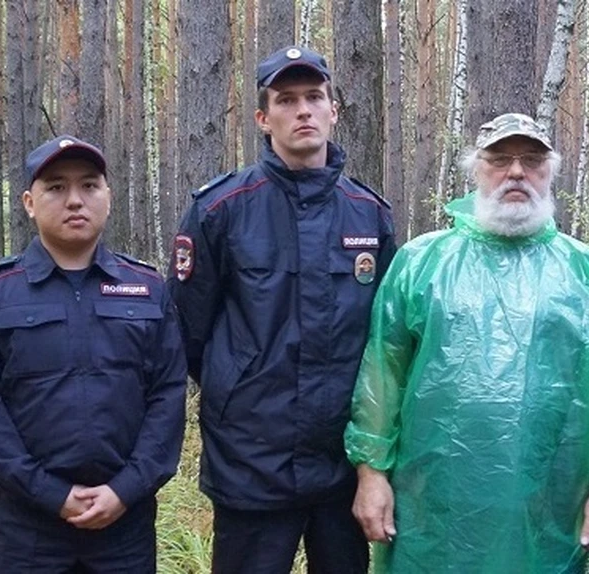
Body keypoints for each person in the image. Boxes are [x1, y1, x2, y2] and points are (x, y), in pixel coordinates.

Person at [345, 112, 589, 574]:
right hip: (433, 504)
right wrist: (371, 475)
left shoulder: (586, 272)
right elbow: (382, 379)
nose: (517, 172)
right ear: (475, 170)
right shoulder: (421, 263)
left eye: (532, 160)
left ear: (551, 173)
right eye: (499, 159)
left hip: (550, 499)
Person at [169, 45, 395, 574]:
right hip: (251, 460)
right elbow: (189, 335)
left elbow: (386, 341)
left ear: (333, 110)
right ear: (263, 118)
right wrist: (238, 387)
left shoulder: (369, 214)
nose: (303, 111)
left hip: (343, 465)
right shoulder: (219, 209)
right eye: (286, 100)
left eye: (314, 97)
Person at [0, 135, 187, 573]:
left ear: (108, 197)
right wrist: (50, 494)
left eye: (89, 185)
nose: (75, 200)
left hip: (124, 527)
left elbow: (167, 395)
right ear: (30, 202)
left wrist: (126, 488)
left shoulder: (146, 289)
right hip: (28, 529)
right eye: (56, 187)